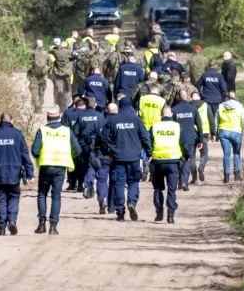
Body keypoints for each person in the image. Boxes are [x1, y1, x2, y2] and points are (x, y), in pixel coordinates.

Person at [99, 94, 152, 222]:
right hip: (134, 157)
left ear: (119, 106)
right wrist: (149, 152)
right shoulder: (136, 119)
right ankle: (132, 202)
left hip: (118, 157)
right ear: (131, 106)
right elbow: (145, 137)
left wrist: (108, 151)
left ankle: (120, 212)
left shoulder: (113, 120)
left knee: (119, 184)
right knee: (133, 182)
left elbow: (103, 137)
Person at [0, 113, 35, 236]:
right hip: (14, 173)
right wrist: (29, 174)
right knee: (13, 197)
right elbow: (25, 156)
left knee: (0, 200)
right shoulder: (18, 135)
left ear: (0, 120)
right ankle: (12, 220)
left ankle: (2, 228)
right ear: (12, 120)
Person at [31, 108, 81, 234]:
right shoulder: (66, 131)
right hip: (60, 168)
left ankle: (41, 225)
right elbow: (77, 150)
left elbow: (35, 151)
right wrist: (69, 155)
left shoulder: (43, 130)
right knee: (56, 196)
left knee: (42, 194)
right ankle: (53, 227)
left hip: (46, 167)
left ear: (48, 118)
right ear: (59, 118)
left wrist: (41, 156)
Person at [149, 107, 190, 223]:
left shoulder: (155, 127)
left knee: (158, 189)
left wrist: (148, 154)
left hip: (157, 163)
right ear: (171, 114)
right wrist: (187, 156)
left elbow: (148, 142)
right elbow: (184, 144)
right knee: (171, 190)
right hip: (173, 163)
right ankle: (170, 216)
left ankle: (159, 212)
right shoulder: (177, 127)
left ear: (161, 114)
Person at [72, 96, 106, 200]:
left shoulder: (80, 116)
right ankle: (90, 185)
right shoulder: (100, 116)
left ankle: (81, 185)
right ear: (95, 105)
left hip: (83, 144)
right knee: (92, 165)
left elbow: (75, 132)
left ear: (85, 105)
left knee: (83, 164)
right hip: (95, 144)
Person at [216, 90, 244, 182]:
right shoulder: (239, 106)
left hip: (224, 132)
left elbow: (215, 121)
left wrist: (215, 133)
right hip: (236, 132)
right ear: (235, 98)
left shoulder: (220, 106)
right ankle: (237, 175)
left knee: (226, 154)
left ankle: (226, 177)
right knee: (236, 153)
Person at [171, 93, 206, 190]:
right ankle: (184, 182)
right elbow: (199, 125)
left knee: (178, 159)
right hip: (190, 139)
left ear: (178, 98)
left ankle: (178, 181)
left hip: (177, 139)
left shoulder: (174, 109)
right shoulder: (193, 109)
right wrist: (200, 139)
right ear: (187, 98)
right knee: (188, 160)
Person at [198, 59, 229, 139]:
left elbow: (197, 86)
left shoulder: (204, 75)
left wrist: (201, 94)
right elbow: (224, 88)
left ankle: (209, 133)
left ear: (208, 66)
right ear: (216, 66)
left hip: (206, 99)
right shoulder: (219, 75)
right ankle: (215, 134)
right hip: (217, 100)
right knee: (216, 117)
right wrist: (224, 97)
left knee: (208, 117)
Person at [63, 97, 86, 192]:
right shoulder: (86, 114)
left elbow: (63, 126)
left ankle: (72, 183)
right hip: (83, 142)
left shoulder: (68, 113)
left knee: (71, 162)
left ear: (74, 105)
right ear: (84, 105)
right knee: (82, 163)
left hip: (70, 141)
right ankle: (81, 183)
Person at [191, 92, 212, 182]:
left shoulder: (189, 106)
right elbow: (211, 119)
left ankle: (194, 178)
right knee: (204, 154)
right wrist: (214, 133)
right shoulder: (205, 105)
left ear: (190, 98)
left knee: (192, 156)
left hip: (191, 133)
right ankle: (202, 166)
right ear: (199, 97)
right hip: (204, 133)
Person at [28, 39, 52, 114]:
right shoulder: (46, 53)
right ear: (42, 44)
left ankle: (37, 107)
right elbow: (50, 64)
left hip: (33, 76)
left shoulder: (31, 53)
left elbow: (28, 63)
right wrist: (45, 71)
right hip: (42, 76)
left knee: (35, 92)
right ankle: (39, 107)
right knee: (41, 93)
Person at [51, 39, 74, 111]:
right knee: (68, 89)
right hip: (67, 74)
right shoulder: (69, 52)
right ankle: (66, 103)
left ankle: (58, 103)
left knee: (59, 89)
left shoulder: (56, 52)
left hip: (59, 73)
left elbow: (49, 51)